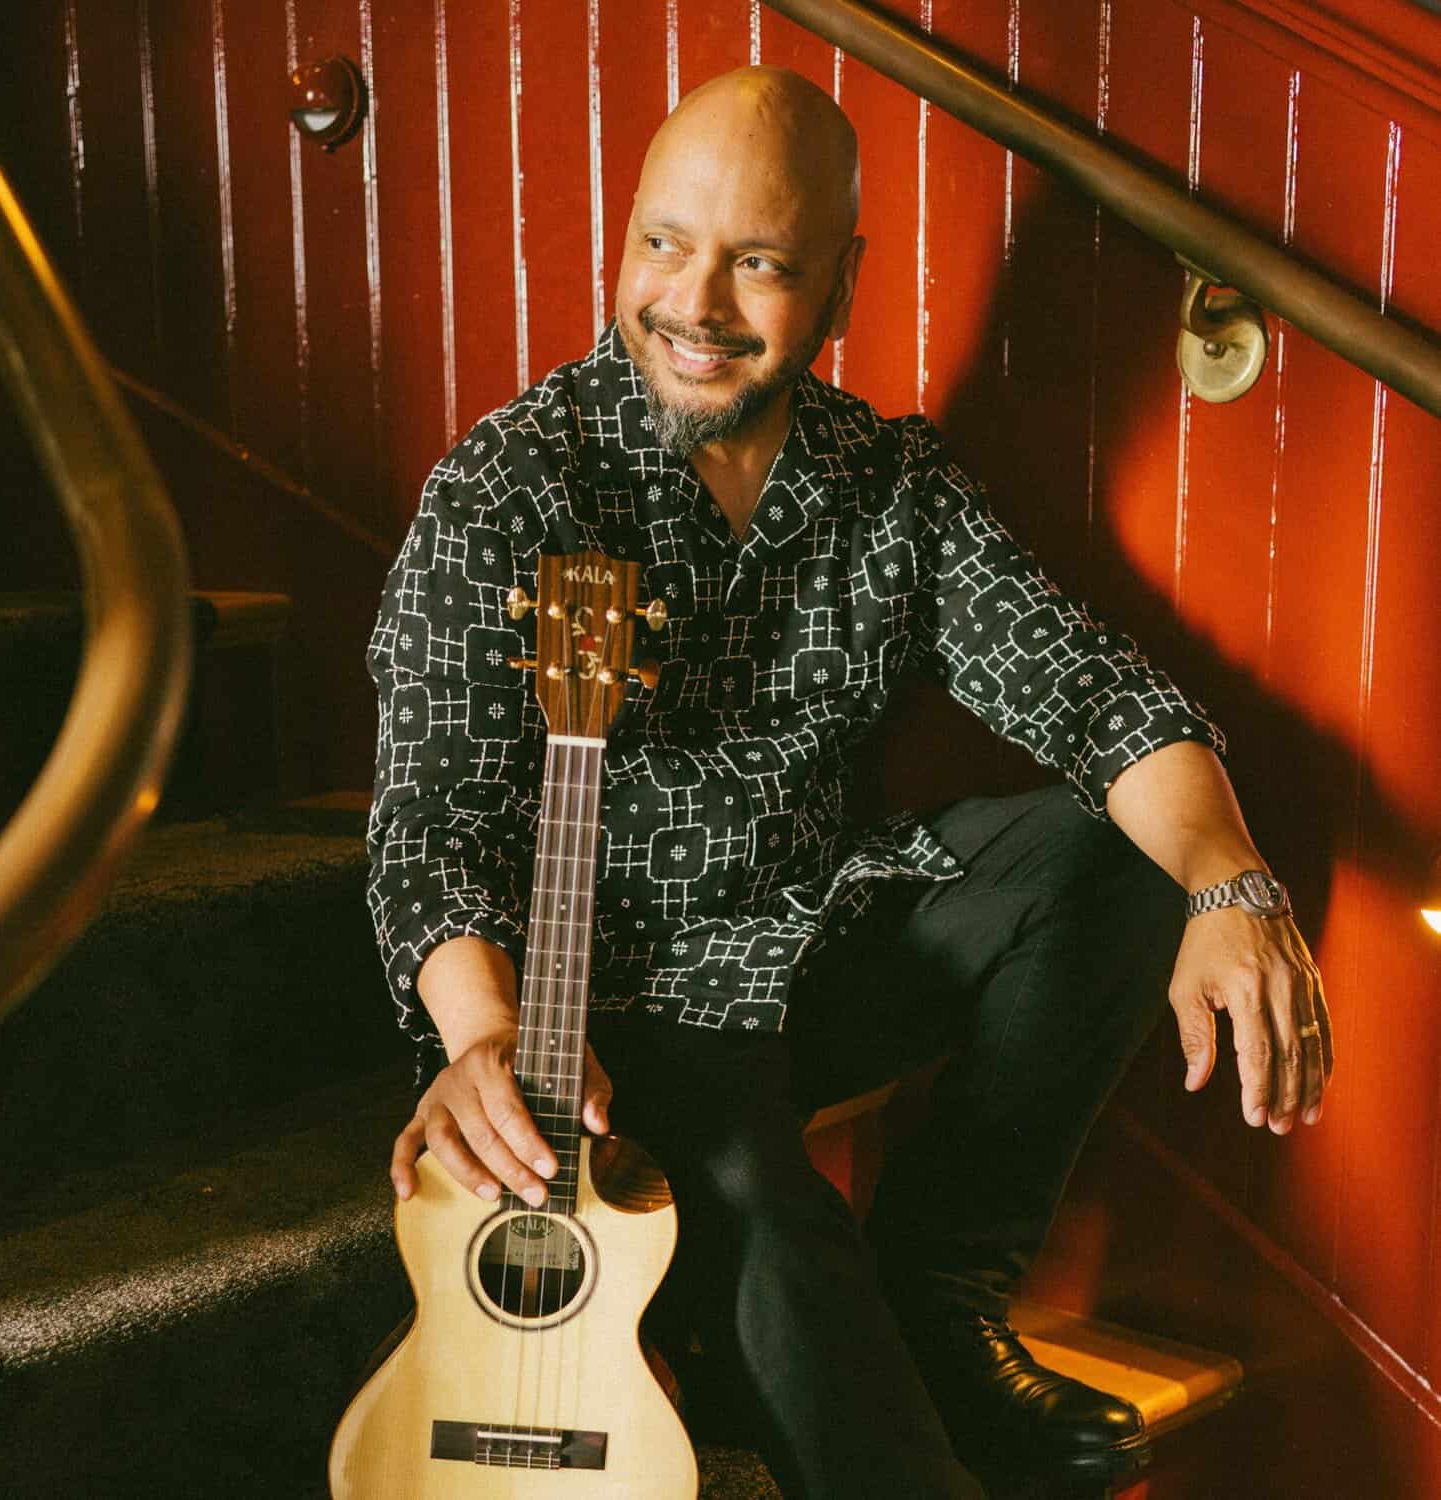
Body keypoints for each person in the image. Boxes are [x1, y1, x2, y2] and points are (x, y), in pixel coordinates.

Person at [365, 66, 1330, 1500]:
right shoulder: (508, 485)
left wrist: (1229, 882)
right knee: (761, 1215)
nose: (694, 302)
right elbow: (431, 822)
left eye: (758, 263)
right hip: (619, 1013)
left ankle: (941, 1296)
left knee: (1125, 852)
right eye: (661, 243)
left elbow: (1098, 696)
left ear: (841, 283)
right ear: (621, 238)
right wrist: (486, 1028)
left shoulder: (889, 485)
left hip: (826, 935)